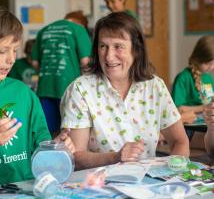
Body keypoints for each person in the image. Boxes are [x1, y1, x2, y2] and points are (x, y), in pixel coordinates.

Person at [60, 12, 189, 170]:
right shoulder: (80, 89)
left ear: (136, 49)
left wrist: (173, 174)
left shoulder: (155, 86)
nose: (109, 56)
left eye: (118, 47)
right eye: (103, 46)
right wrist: (115, 157)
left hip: (149, 186)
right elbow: (76, 157)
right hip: (97, 186)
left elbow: (180, 141)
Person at [0, 7, 75, 184]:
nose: (10, 59)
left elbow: (41, 146)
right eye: (2, 51)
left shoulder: (23, 94)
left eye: (15, 50)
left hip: (24, 189)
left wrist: (55, 147)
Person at [32, 14, 92, 137]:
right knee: (69, 134)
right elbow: (85, 61)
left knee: (46, 134)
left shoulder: (44, 30)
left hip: (44, 88)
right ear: (81, 23)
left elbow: (35, 62)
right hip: (69, 89)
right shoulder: (78, 29)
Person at [171, 36, 214, 146]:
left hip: (206, 126)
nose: (212, 67)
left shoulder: (208, 78)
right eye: (208, 63)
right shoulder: (183, 78)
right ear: (198, 58)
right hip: (189, 129)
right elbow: (178, 109)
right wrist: (204, 108)